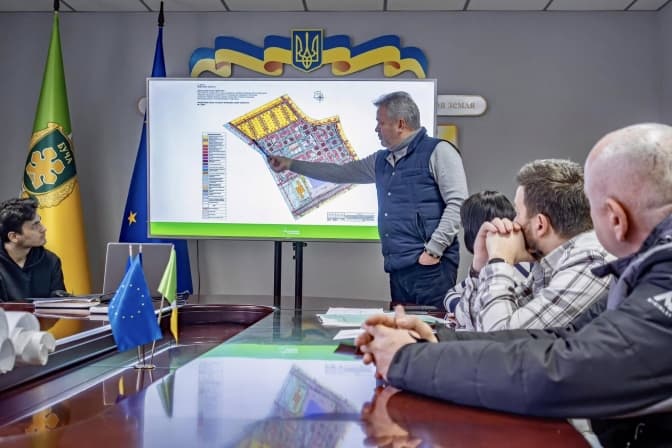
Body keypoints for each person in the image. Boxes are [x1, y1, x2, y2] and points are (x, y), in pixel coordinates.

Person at [356, 123, 672, 446]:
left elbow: (561, 370)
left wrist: (406, 359)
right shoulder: (645, 266)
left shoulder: (632, 265)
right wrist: (433, 340)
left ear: (616, 218)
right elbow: (561, 337)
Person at [269, 91, 467, 309]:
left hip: (432, 267)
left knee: (433, 328)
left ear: (400, 124)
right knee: (402, 328)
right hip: (398, 267)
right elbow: (340, 172)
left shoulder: (439, 151)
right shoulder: (381, 160)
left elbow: (458, 203)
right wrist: (290, 164)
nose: (376, 129)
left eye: (380, 123)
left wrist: (433, 250)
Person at [454, 159, 611, 331]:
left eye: (518, 213)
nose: (513, 222)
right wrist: (481, 265)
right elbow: (472, 323)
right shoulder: (549, 263)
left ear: (540, 225)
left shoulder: (592, 262)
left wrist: (499, 260)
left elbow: (501, 338)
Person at [443, 190, 528, 313]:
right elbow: (451, 294)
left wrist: (461, 311)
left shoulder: (517, 270)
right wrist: (460, 309)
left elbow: (485, 312)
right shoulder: (486, 266)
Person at [0, 197, 66, 301]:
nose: (43, 229)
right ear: (14, 237)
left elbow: (59, 304)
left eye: (39, 222)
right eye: (35, 225)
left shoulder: (50, 260)